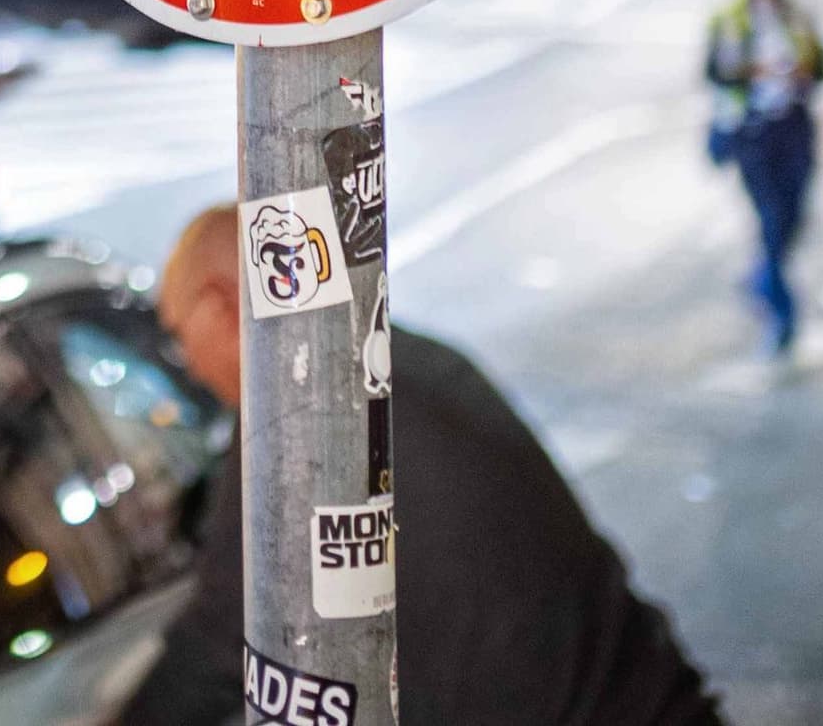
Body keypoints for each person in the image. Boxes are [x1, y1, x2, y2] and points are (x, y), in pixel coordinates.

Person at [122, 199, 724, 726]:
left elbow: (222, 646)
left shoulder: (297, 430)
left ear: (223, 305)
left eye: (179, 334)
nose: (189, 365)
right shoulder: (419, 363)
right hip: (653, 695)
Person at [705, 0, 823, 353]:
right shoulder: (732, 17)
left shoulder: (796, 13)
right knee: (771, 220)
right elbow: (713, 73)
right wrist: (749, 72)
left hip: (794, 128)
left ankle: (762, 276)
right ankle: (781, 313)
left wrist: (802, 72)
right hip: (753, 133)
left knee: (794, 218)